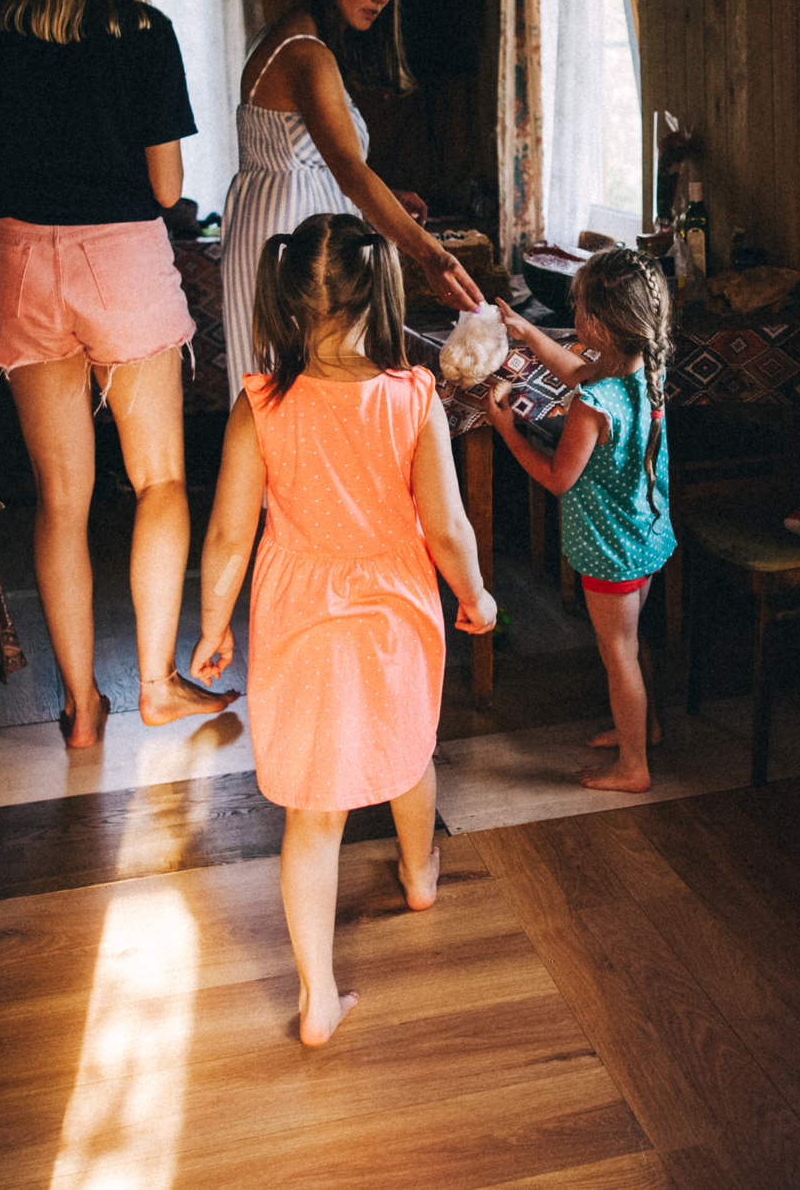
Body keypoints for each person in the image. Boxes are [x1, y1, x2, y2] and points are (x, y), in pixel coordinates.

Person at [0, 0, 235, 749]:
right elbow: (168, 183)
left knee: (61, 499)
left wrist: (25, 166)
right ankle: (154, 683)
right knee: (161, 480)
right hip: (122, 259)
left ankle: (80, 708)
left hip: (19, 259)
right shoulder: (146, 30)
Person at [190, 214, 498, 1045]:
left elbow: (227, 534)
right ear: (381, 294)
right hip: (394, 608)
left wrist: (214, 626)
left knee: (313, 811)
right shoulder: (412, 398)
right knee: (409, 750)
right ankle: (419, 872)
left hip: (297, 614)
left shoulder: (260, 405)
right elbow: (447, 529)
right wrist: (476, 595)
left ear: (286, 298)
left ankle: (318, 997)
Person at [221, 0, 482, 397]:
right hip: (287, 232)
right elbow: (347, 168)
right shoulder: (305, 53)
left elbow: (330, 162)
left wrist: (384, 195)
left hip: (291, 218)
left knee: (306, 389)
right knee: (293, 390)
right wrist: (432, 257)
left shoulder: (303, 39)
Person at [487, 249, 676, 793]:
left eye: (579, 310)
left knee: (618, 657)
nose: (574, 320)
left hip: (609, 548)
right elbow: (575, 366)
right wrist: (527, 332)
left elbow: (556, 477)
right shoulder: (640, 368)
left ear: (598, 323)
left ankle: (633, 766)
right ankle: (645, 728)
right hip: (643, 534)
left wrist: (507, 429)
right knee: (633, 646)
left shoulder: (593, 403)